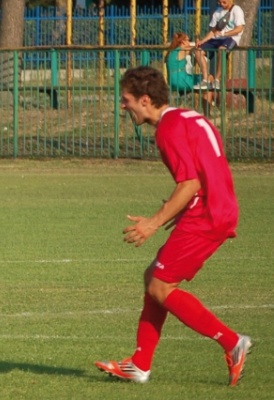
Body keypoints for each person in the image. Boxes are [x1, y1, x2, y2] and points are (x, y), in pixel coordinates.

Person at [95, 66, 251, 386]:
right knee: (153, 278)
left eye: (126, 100)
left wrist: (154, 222)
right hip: (216, 208)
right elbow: (203, 172)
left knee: (160, 287)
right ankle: (139, 364)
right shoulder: (188, 116)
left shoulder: (167, 130)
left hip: (207, 215)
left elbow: (190, 182)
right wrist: (174, 211)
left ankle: (233, 342)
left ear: (145, 99)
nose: (122, 106)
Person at [192, 0, 245, 89]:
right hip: (217, 38)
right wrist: (202, 41)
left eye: (224, 2)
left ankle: (217, 79)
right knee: (198, 51)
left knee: (222, 50)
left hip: (231, 37)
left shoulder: (237, 10)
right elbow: (213, 31)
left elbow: (239, 29)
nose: (221, 4)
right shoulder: (217, 12)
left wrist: (224, 34)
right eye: (220, 2)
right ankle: (205, 79)